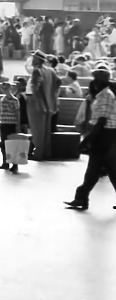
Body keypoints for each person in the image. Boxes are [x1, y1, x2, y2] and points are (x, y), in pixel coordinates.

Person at [64, 63, 116, 211]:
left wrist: (87, 141)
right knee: (109, 170)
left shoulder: (105, 96)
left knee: (95, 169)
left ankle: (81, 197)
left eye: (94, 79)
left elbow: (101, 121)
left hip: (104, 136)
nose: (91, 82)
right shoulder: (103, 94)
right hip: (107, 136)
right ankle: (81, 197)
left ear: (99, 81)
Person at [26, 50, 61, 161]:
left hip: (36, 103)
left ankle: (38, 154)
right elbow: (58, 83)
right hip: (48, 103)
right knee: (45, 130)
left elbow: (35, 88)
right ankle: (46, 152)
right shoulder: (50, 70)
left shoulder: (37, 71)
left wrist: (39, 101)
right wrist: (51, 95)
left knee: (37, 130)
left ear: (37, 60)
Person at [0, 79, 25, 173]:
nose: (5, 90)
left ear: (10, 88)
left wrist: (18, 125)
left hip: (11, 124)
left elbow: (17, 113)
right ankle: (5, 162)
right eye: (3, 88)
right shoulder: (2, 100)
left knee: (12, 144)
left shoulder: (14, 100)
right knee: (3, 144)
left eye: (7, 88)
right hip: (4, 123)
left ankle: (14, 164)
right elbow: (0, 111)